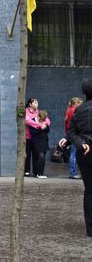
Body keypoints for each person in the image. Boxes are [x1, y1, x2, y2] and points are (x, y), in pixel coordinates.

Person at [66, 78, 92, 237]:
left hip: (85, 152)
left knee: (89, 191)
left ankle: (90, 228)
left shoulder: (79, 110)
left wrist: (81, 143)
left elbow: (71, 133)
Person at [25, 98, 50, 177]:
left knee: (36, 155)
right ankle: (27, 171)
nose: (37, 103)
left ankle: (36, 172)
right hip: (28, 136)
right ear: (30, 104)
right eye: (35, 102)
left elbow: (48, 121)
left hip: (37, 138)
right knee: (27, 154)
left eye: (37, 102)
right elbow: (28, 121)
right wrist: (40, 125)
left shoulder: (38, 112)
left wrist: (45, 125)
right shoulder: (25, 111)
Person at [64, 97, 84, 179]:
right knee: (74, 154)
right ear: (76, 103)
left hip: (72, 134)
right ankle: (73, 173)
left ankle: (73, 172)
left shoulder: (70, 110)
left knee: (74, 153)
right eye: (80, 103)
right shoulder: (74, 111)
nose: (81, 105)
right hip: (75, 135)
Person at [29, 110, 50, 179]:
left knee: (42, 156)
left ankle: (38, 172)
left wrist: (45, 127)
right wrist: (40, 128)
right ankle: (39, 173)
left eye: (43, 120)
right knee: (40, 156)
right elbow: (32, 132)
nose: (42, 121)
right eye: (41, 119)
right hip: (36, 141)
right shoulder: (32, 121)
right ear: (38, 116)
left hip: (44, 141)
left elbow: (48, 130)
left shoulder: (45, 121)